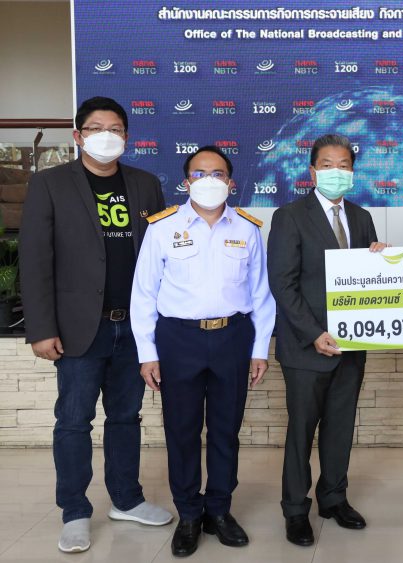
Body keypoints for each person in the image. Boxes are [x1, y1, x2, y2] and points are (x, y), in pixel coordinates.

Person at [18, 97, 172, 553]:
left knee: (126, 416)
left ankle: (126, 499)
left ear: (127, 136)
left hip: (135, 328)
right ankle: (75, 511)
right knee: (73, 420)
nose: (107, 135)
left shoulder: (145, 184)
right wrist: (41, 328)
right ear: (78, 136)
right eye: (96, 128)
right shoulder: (49, 184)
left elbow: (162, 257)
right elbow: (35, 259)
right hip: (80, 327)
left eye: (116, 128)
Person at [130, 146, 275, 557]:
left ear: (231, 182)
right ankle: (190, 514)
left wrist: (259, 349)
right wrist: (147, 352)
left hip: (233, 338)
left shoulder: (247, 228)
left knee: (226, 430)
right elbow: (144, 293)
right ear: (186, 182)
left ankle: (219, 510)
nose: (208, 180)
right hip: (178, 340)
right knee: (182, 430)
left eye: (218, 173)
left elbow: (261, 294)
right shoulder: (162, 228)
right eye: (199, 173)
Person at [267, 134, 388, 547]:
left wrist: (383, 258)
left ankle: (334, 498)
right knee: (301, 432)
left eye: (344, 166)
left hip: (351, 346)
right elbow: (283, 284)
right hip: (307, 348)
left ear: (353, 171)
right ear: (313, 171)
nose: (337, 172)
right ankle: (295, 510)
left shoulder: (362, 216)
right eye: (327, 165)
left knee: (340, 427)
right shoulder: (290, 216)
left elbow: (368, 279)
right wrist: (313, 333)